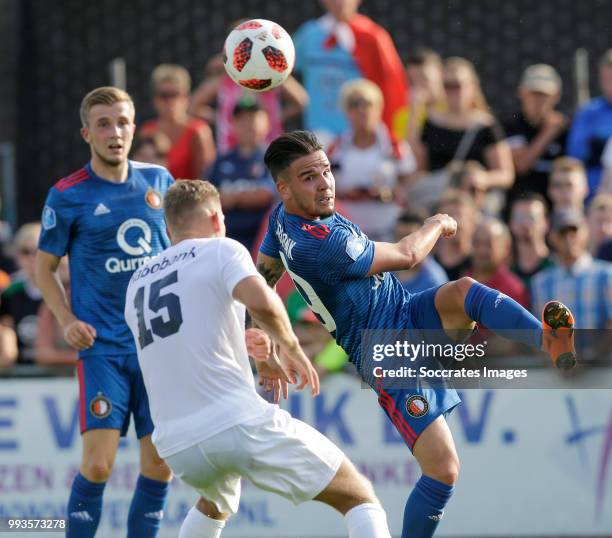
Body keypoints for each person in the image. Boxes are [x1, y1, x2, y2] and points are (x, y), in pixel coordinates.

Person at [257, 130, 577, 538]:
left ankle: (548, 341)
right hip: (387, 352)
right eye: (309, 177)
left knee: (464, 291)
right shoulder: (321, 245)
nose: (325, 183)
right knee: (443, 470)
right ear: (283, 187)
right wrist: (436, 222)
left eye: (326, 171)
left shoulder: (282, 219)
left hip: (406, 311)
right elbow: (409, 255)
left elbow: (262, 279)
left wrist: (263, 348)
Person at [124, 180, 392, 538]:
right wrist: (291, 348)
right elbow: (264, 301)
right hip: (232, 422)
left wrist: (255, 350)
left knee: (215, 502)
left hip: (175, 445)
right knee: (358, 496)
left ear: (168, 229)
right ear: (216, 218)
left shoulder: (137, 282)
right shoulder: (221, 250)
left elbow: (187, 341)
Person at [35, 86, 175, 537]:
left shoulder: (159, 182)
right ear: (86, 133)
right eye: (103, 124)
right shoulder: (67, 194)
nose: (114, 132)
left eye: (122, 122)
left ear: (135, 127)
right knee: (98, 466)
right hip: (104, 350)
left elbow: (184, 254)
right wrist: (67, 321)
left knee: (159, 467)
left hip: (157, 347)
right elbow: (44, 268)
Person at [293, 0, 408, 144]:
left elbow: (393, 86)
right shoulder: (309, 34)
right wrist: (298, 97)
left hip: (358, 139)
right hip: (317, 135)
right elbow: (282, 68)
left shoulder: (373, 36)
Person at [409, 57, 514, 211]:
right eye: (447, 85)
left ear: (472, 86)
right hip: (438, 203)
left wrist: (483, 178)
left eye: (457, 85)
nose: (452, 91)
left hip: (474, 205)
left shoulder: (485, 125)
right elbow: (417, 167)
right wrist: (415, 110)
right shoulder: (431, 122)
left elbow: (506, 174)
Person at [328, 78, 416, 240]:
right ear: (346, 111)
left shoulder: (395, 146)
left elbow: (409, 182)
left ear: (379, 108)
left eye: (367, 104)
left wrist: (389, 193)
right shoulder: (335, 148)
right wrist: (344, 194)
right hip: (346, 231)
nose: (361, 110)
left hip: (388, 228)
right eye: (354, 104)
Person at [189, 45, 308, 155]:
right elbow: (193, 105)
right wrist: (221, 118)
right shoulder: (224, 80)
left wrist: (275, 117)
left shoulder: (272, 78)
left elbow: (301, 100)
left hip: (269, 148)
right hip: (231, 149)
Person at [207, 97, 276, 251]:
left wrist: (232, 197)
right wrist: (245, 196)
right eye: (242, 120)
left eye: (254, 119)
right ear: (233, 125)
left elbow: (267, 194)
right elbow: (207, 197)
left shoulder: (274, 159)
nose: (248, 125)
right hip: (226, 240)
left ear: (267, 124)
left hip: (263, 241)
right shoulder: (221, 160)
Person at [531, 209, 612, 329]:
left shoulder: (606, 275)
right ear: (552, 237)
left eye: (574, 232)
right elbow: (541, 332)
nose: (569, 239)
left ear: (585, 232)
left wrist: (595, 348)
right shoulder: (541, 282)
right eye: (562, 233)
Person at [503, 64, 567, 207]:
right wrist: (548, 133)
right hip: (519, 203)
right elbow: (521, 164)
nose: (539, 100)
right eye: (533, 93)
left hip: (556, 205)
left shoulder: (565, 129)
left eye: (544, 94)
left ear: (556, 96)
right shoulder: (511, 125)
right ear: (521, 93)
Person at [139, 64, 216, 179]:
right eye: (164, 95)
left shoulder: (198, 131)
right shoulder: (147, 131)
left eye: (175, 94)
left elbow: (206, 179)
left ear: (186, 97)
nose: (170, 101)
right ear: (155, 99)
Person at [567, 49, 612, 198]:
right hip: (594, 196)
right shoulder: (588, 112)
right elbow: (575, 156)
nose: (609, 86)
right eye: (606, 80)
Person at [0, 222, 43, 366]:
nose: (32, 257)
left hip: (61, 373)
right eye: (25, 251)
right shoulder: (10, 292)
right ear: (17, 255)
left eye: (38, 250)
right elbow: (7, 329)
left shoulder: (67, 290)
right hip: (20, 374)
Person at [466, 218, 529, 308]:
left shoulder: (513, 289)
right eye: (477, 243)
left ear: (506, 247)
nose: (482, 250)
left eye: (489, 244)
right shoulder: (463, 281)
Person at [393, 211, 448, 293]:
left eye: (409, 237)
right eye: (399, 236)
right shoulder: (385, 272)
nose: (403, 245)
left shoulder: (435, 281)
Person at [508, 192, 553, 288]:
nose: (525, 224)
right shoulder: (506, 273)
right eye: (519, 218)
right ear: (511, 224)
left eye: (532, 218)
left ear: (546, 223)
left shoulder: (557, 267)